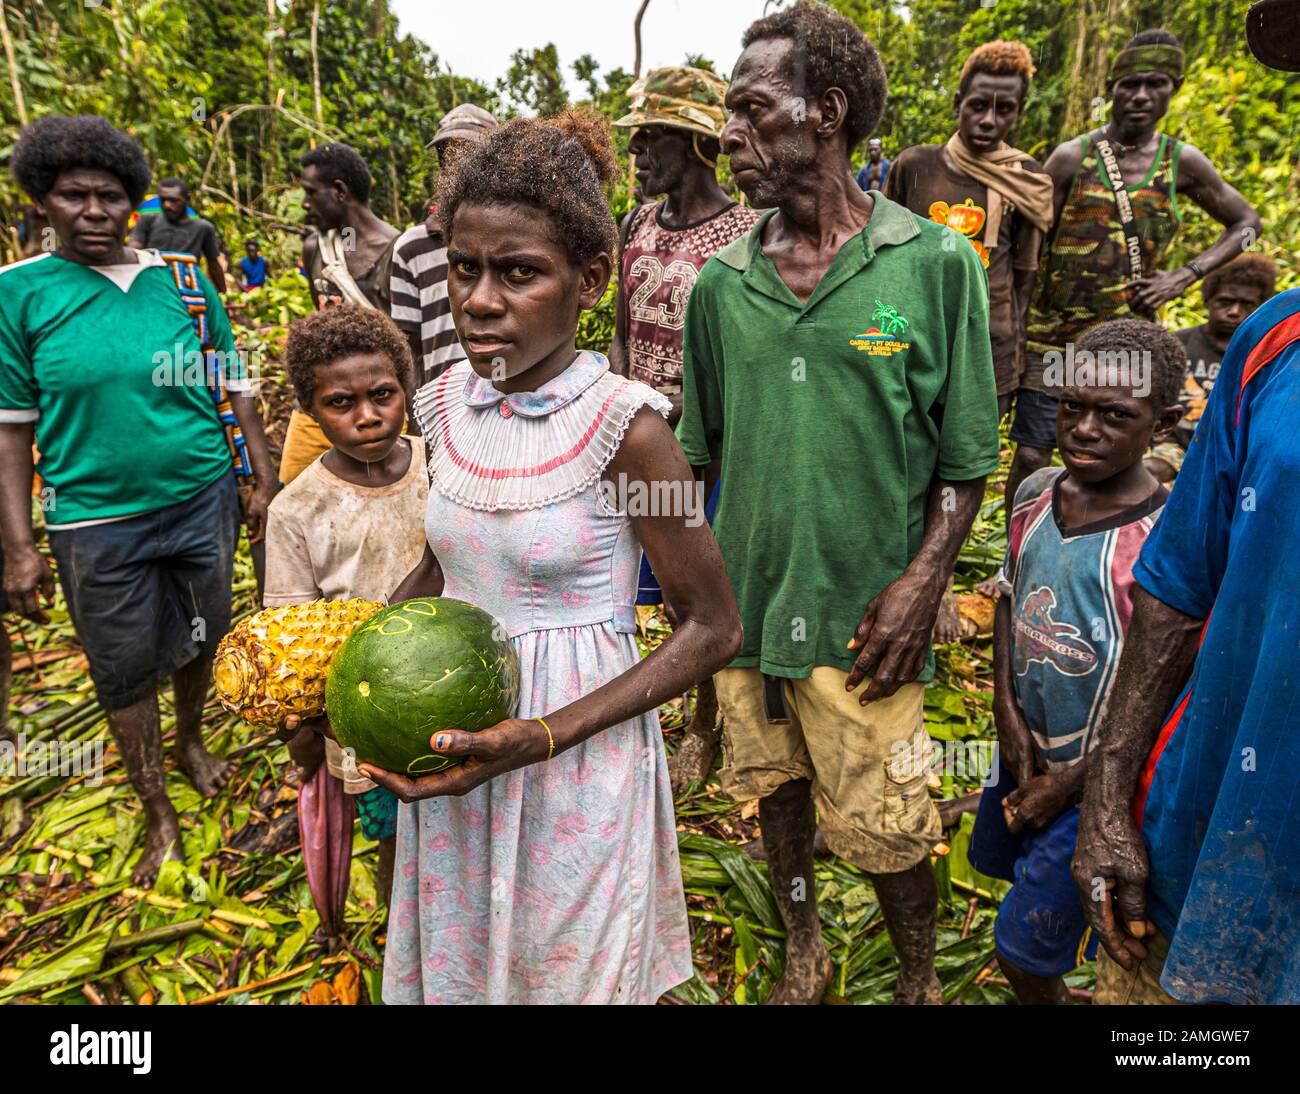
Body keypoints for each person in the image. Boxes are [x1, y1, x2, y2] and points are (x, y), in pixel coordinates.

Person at [349, 110, 741, 1004]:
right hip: (454, 755)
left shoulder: (629, 432)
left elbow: (714, 628)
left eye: (519, 273)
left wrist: (546, 733)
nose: (481, 300)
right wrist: (352, 657)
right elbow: (448, 569)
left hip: (574, 764)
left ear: (589, 280)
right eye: (463, 269)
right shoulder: (446, 404)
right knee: (472, 967)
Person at [678, 1, 1000, 1004]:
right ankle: (805, 938)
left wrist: (922, 579)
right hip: (750, 609)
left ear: (823, 112)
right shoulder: (719, 286)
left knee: (893, 821)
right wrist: (690, 608)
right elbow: (696, 458)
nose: (727, 133)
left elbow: (966, 459)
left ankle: (914, 976)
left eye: (749, 110)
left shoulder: (934, 264)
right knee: (774, 791)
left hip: (869, 618)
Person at [1071, 0, 1300, 1009]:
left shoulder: (1188, 168)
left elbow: (1236, 221)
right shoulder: (1272, 342)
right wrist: (1105, 796)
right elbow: (1171, 591)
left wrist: (1189, 271)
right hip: (1199, 846)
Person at [0, 116, 276, 883]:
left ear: (134, 201)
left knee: (202, 633)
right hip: (94, 521)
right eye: (73, 196)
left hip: (200, 498)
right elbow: (11, 432)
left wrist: (261, 477)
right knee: (121, 666)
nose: (94, 211)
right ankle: (155, 803)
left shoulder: (181, 282)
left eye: (110, 196)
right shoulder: (18, 295)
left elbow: (238, 381)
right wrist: (19, 548)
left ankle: (191, 740)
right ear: (41, 202)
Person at [969, 319, 1184, 1005]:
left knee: (1023, 951)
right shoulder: (1034, 491)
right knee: (1019, 877)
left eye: (1115, 416)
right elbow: (1009, 594)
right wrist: (1004, 705)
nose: (1085, 430)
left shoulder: (1165, 542)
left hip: (1100, 782)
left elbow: (1169, 688)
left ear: (1164, 420)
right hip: (1027, 743)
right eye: (1071, 407)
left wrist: (1071, 786)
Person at [1008, 28, 1261, 517]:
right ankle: (1019, 553)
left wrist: (1186, 274)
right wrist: (1016, 328)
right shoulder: (1071, 157)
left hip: (1131, 344)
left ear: (1175, 88)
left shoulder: (1180, 162)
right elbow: (1028, 251)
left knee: (1119, 454)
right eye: (1130, 84)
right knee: (1034, 452)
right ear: (1111, 88)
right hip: (1054, 339)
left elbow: (1246, 225)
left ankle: (1104, 550)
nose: (1141, 95)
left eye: (1156, 83)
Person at [608, 65, 763, 791]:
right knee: (647, 582)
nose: (636, 156)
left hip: (708, 445)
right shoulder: (636, 223)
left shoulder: (745, 234)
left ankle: (704, 721)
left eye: (649, 140)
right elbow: (618, 330)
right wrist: (618, 406)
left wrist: (704, 438)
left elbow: (747, 353)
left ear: (694, 145)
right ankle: (654, 706)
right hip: (641, 439)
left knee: (698, 588)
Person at [886, 39, 1053, 635]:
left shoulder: (1026, 180)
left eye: (1004, 109)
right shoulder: (915, 166)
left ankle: (941, 581)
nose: (988, 120)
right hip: (913, 341)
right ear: (957, 101)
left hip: (988, 346)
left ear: (1019, 111)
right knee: (912, 458)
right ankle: (908, 572)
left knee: (961, 466)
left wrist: (1009, 355)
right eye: (977, 105)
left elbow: (1025, 273)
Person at [263, 305, 425, 921]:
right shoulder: (296, 510)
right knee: (395, 840)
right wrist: (304, 734)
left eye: (383, 394)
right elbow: (292, 640)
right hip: (362, 724)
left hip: (460, 690)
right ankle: (403, 935)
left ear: (404, 390)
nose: (367, 415)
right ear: (309, 409)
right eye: (340, 403)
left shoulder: (444, 466)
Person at [279, 142, 399, 485]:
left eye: (310, 193)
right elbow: (319, 322)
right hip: (322, 407)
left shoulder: (395, 252)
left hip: (378, 404)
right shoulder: (314, 248)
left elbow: (408, 344)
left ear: (340, 191)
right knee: (293, 489)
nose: (305, 204)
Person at [390, 104, 497, 394]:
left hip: (512, 402)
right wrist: (416, 418)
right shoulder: (411, 248)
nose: (458, 166)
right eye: (448, 155)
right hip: (441, 405)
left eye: (471, 154)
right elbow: (409, 350)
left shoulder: (519, 241)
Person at [1145, 252, 1275, 480]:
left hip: (1236, 454)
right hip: (1174, 447)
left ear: (1259, 307)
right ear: (1208, 300)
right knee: (1150, 471)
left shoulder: (1265, 355)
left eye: (1246, 304)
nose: (1234, 311)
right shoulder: (1174, 344)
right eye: (1225, 301)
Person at [129, 176, 227, 292]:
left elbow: (213, 264)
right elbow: (133, 251)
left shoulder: (203, 228)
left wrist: (222, 293)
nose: (167, 205)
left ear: (187, 199)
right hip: (152, 286)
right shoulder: (148, 220)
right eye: (163, 200)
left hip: (186, 290)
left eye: (173, 200)